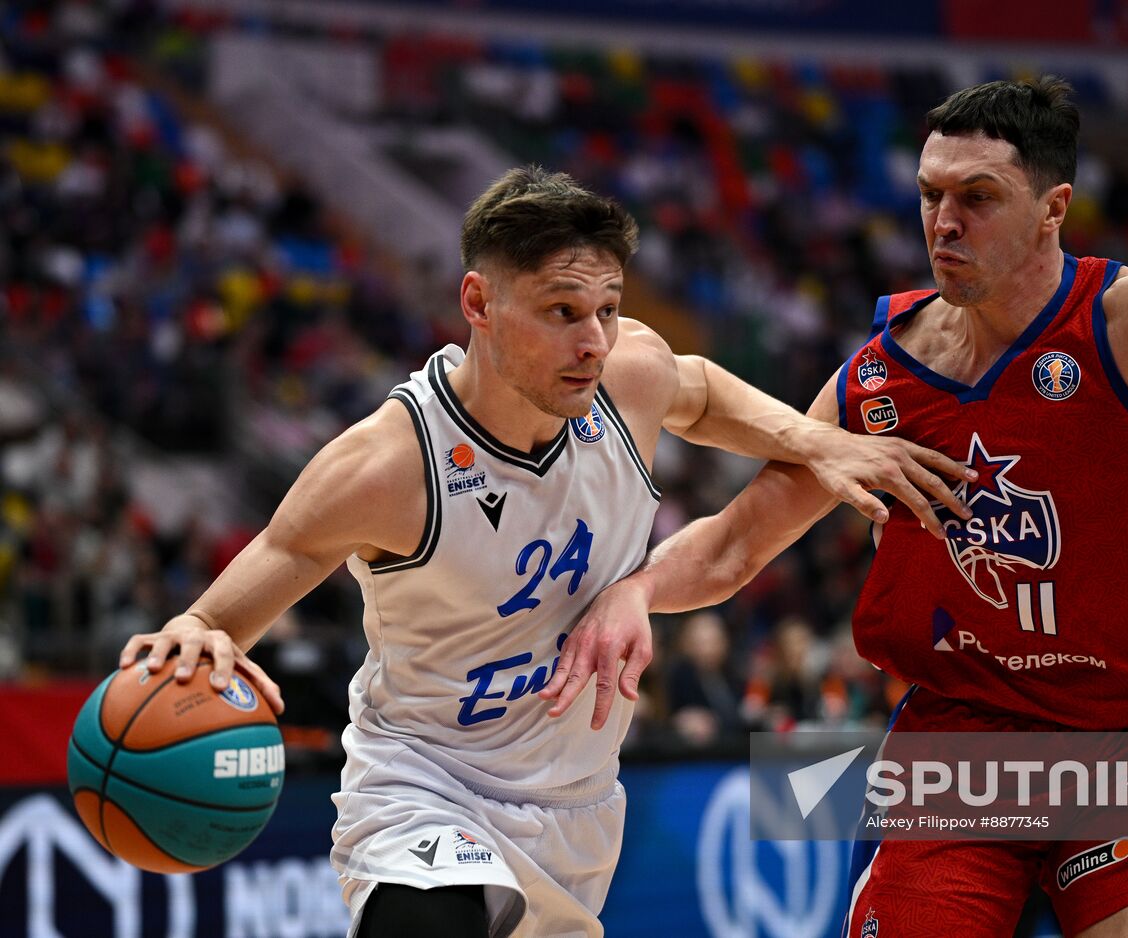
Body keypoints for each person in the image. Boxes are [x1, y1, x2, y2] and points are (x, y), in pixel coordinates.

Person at [546, 22, 1128, 937]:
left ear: (1053, 209)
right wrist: (633, 591)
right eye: (929, 195)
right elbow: (742, 541)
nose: (943, 222)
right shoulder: (880, 376)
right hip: (963, 747)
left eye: (977, 198)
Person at [116, 166, 973, 938]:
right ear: (480, 305)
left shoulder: (626, 373)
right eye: (562, 312)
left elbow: (701, 390)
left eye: (606, 308)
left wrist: (810, 439)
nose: (593, 339)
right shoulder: (388, 466)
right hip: (426, 788)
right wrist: (198, 628)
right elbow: (238, 601)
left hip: (578, 814)